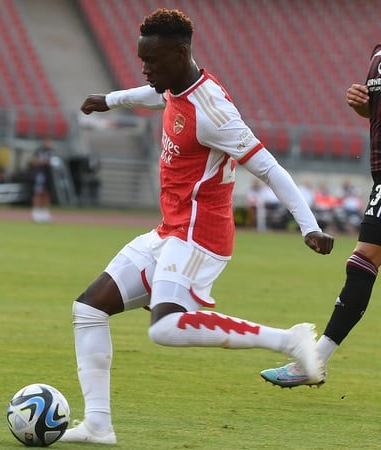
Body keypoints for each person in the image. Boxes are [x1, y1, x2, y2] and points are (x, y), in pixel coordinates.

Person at [60, 9, 334, 445]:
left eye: (150, 61)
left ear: (179, 52)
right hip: (170, 230)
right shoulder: (173, 86)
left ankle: (289, 340)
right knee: (89, 310)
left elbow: (270, 169)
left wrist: (309, 227)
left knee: (166, 327)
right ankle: (97, 425)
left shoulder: (214, 111)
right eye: (141, 59)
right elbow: (155, 96)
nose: (144, 68)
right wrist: (108, 99)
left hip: (200, 237)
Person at [260, 49, 381, 388]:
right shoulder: (376, 53)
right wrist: (364, 105)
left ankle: (313, 361)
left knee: (362, 261)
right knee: (363, 262)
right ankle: (314, 362)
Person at [30, 138, 54, 223]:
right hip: (40, 174)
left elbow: (52, 161)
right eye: (48, 142)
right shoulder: (39, 151)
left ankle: (45, 214)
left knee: (47, 193)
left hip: (48, 174)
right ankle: (36, 213)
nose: (49, 144)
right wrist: (43, 162)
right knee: (38, 192)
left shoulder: (51, 151)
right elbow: (33, 162)